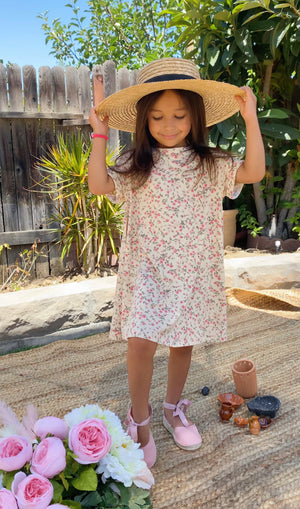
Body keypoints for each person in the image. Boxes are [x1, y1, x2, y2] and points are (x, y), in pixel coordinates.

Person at [88, 58, 265, 469]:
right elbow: (99, 184)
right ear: (144, 120)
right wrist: (99, 131)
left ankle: (171, 408)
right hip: (146, 271)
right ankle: (142, 420)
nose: (169, 124)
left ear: (196, 116)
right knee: (141, 343)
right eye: (158, 116)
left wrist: (251, 118)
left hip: (193, 271)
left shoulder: (212, 162)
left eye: (180, 115)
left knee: (183, 342)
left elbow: (254, 170)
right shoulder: (137, 163)